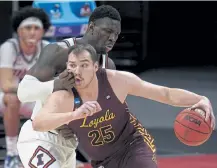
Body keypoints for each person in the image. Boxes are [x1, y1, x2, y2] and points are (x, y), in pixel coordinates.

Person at [30, 44, 215, 168]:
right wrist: (73, 115)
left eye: (84, 65)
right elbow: (38, 123)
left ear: (96, 67)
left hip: (132, 145)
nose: (77, 71)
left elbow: (164, 94)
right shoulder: (64, 95)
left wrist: (200, 99)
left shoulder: (117, 81)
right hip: (101, 160)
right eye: (72, 65)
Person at [17, 5, 121, 168]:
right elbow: (23, 93)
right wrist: (56, 84)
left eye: (116, 34)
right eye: (108, 31)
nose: (112, 38)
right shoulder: (58, 51)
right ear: (91, 27)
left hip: (69, 145)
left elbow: (103, 112)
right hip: (41, 136)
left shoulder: (108, 66)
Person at [0, 6, 50, 168]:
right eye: (28, 28)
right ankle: (12, 154)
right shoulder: (9, 47)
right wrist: (37, 87)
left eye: (36, 28)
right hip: (5, 100)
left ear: (43, 32)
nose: (32, 32)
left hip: (31, 98)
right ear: (19, 31)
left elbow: (54, 83)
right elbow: (6, 85)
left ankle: (50, 152)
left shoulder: (47, 48)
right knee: (13, 98)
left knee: (58, 100)